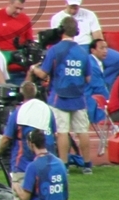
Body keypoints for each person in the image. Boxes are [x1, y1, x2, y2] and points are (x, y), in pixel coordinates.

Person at [33, 18, 96, 171]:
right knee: (82, 131)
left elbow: (43, 73)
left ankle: (64, 165)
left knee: (62, 132)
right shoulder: (83, 52)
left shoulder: (54, 50)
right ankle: (87, 165)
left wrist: (33, 69)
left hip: (59, 97)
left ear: (61, 31)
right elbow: (88, 78)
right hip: (78, 97)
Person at [1, 81, 54, 200]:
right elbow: (54, 132)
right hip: (47, 156)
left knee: (21, 189)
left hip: (23, 158)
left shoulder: (19, 112)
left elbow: (7, 137)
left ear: (22, 93)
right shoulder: (47, 110)